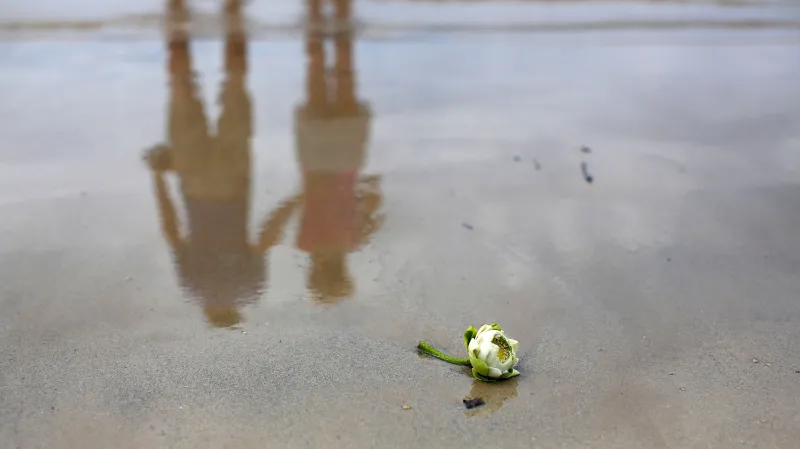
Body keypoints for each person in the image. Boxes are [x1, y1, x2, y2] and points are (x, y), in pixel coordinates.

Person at [144, 0, 297, 327]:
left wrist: (295, 201)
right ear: (209, 314)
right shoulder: (195, 287)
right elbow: (173, 232)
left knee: (235, 82)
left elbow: (266, 236)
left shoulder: (249, 288)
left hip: (233, 182)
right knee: (182, 87)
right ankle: (177, 14)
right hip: (195, 181)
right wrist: (158, 178)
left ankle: (233, 14)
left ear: (235, 314)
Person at [267, 0, 384, 304]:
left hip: (346, 159)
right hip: (316, 161)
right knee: (316, 70)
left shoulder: (354, 241)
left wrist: (369, 189)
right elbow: (294, 207)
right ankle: (317, 14)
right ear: (313, 274)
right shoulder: (305, 243)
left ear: (345, 271)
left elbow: (372, 203)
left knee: (344, 71)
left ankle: (337, 16)